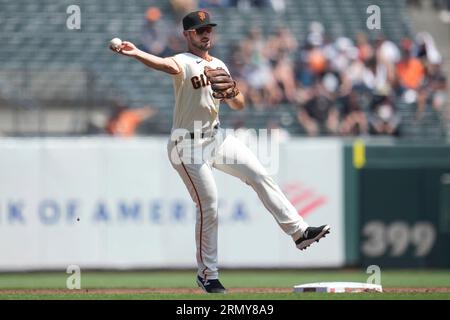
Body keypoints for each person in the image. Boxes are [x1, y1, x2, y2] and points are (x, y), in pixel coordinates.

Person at [111, 10, 330, 294]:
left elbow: (239, 105)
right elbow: (163, 64)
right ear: (188, 34)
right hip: (186, 145)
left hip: (216, 137)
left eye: (209, 29)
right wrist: (136, 52)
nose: (206, 34)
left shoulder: (220, 65)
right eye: (200, 30)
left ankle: (299, 232)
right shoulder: (184, 61)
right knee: (210, 204)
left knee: (259, 173)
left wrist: (232, 92)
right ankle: (207, 274)